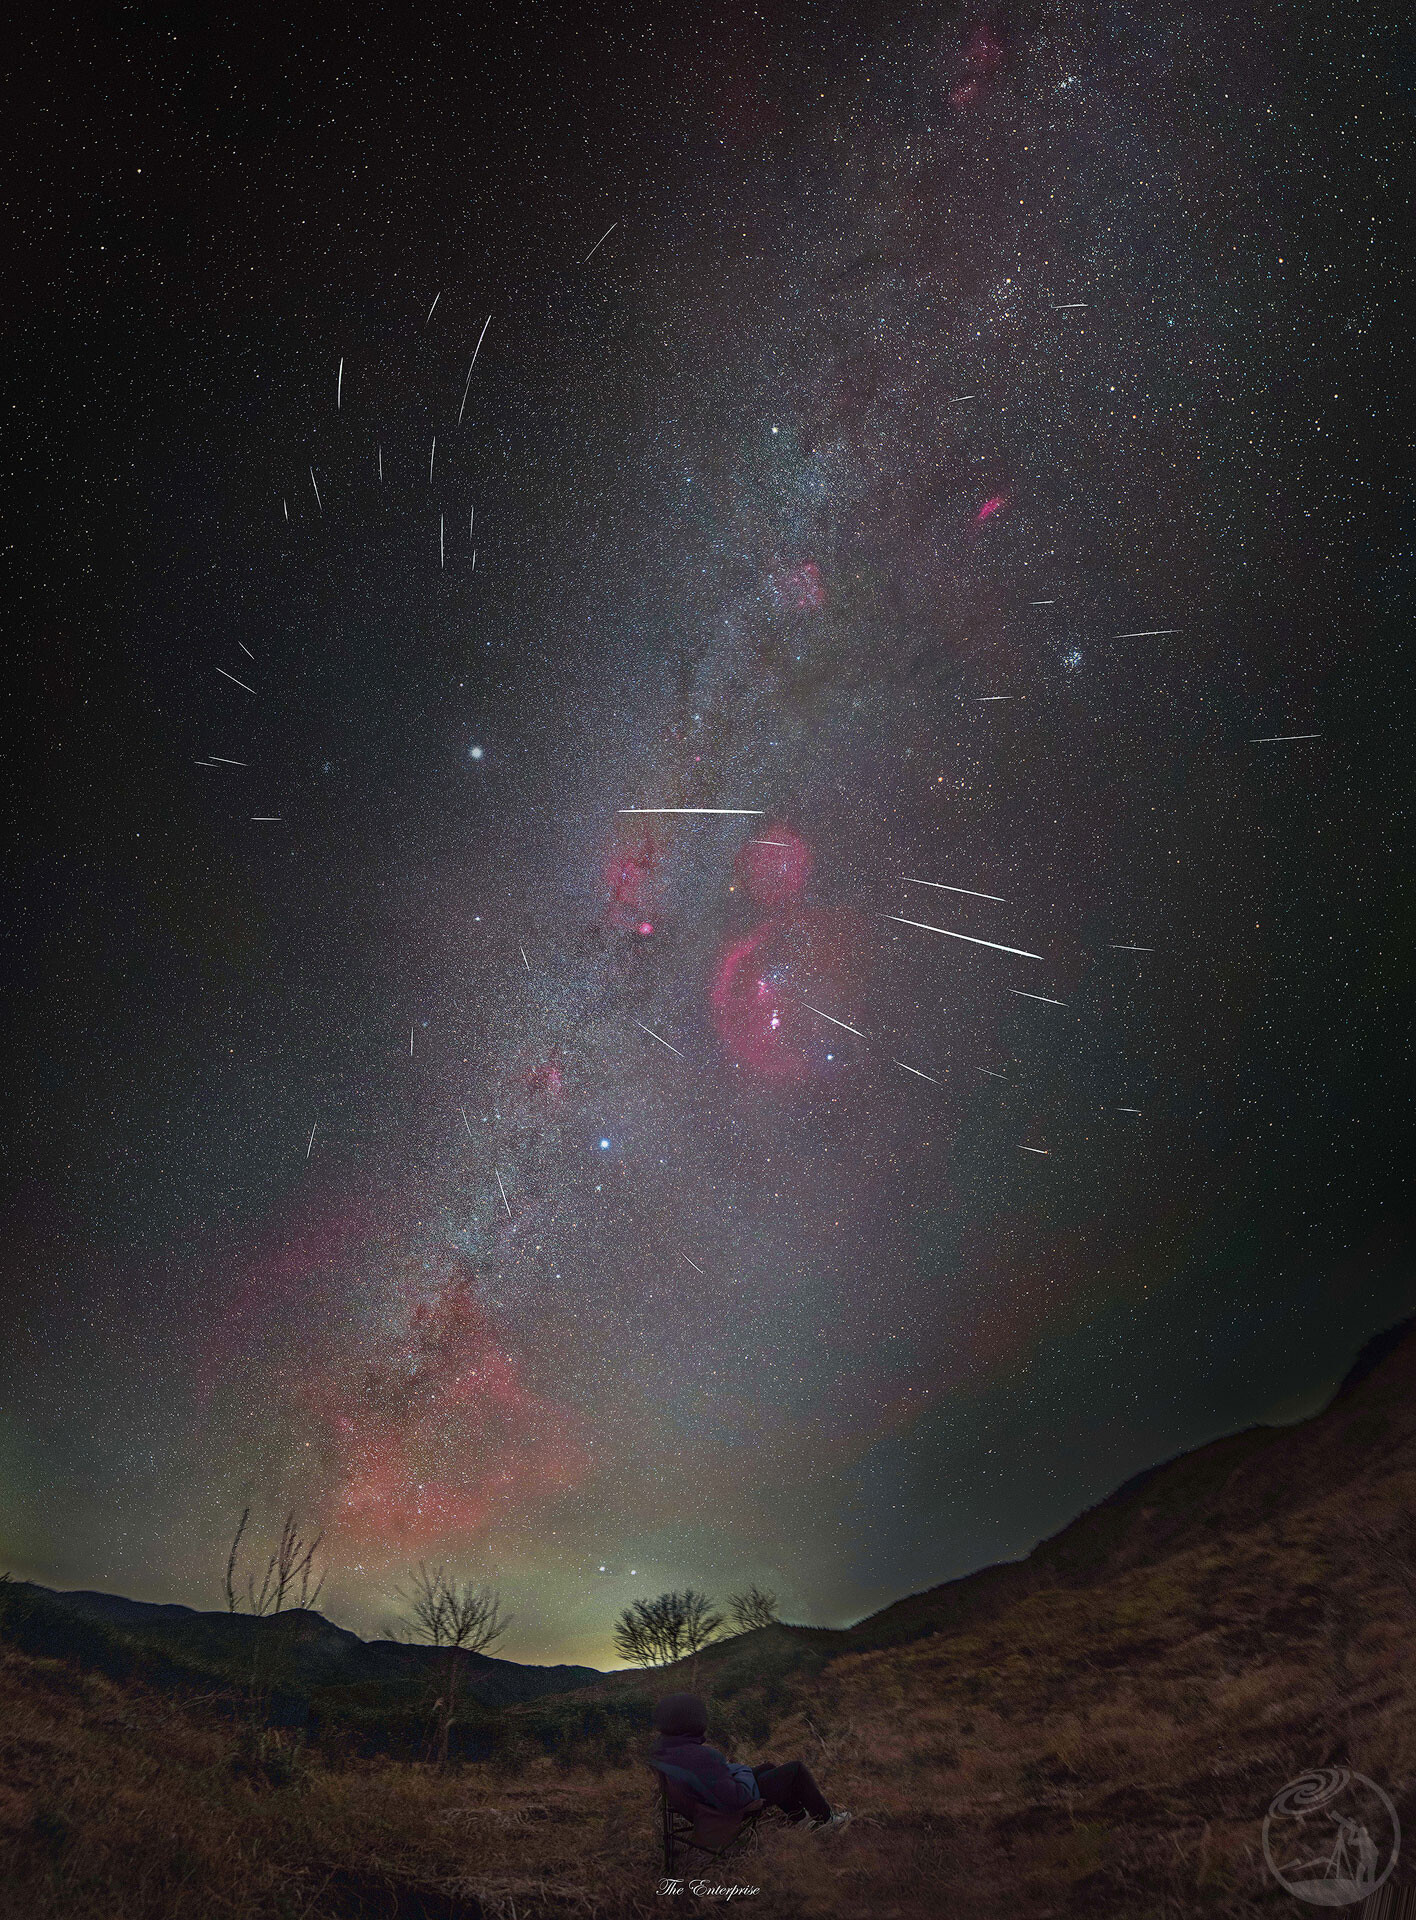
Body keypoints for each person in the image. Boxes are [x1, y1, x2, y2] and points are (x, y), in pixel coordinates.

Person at [649, 1691, 852, 1833]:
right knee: (795, 1770)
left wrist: (732, 1771)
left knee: (769, 1768)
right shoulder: (701, 1756)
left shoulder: (666, 1749)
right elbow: (736, 1799)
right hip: (724, 1813)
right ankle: (826, 1820)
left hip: (703, 1806)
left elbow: (708, 1779)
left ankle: (799, 1818)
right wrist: (742, 1771)